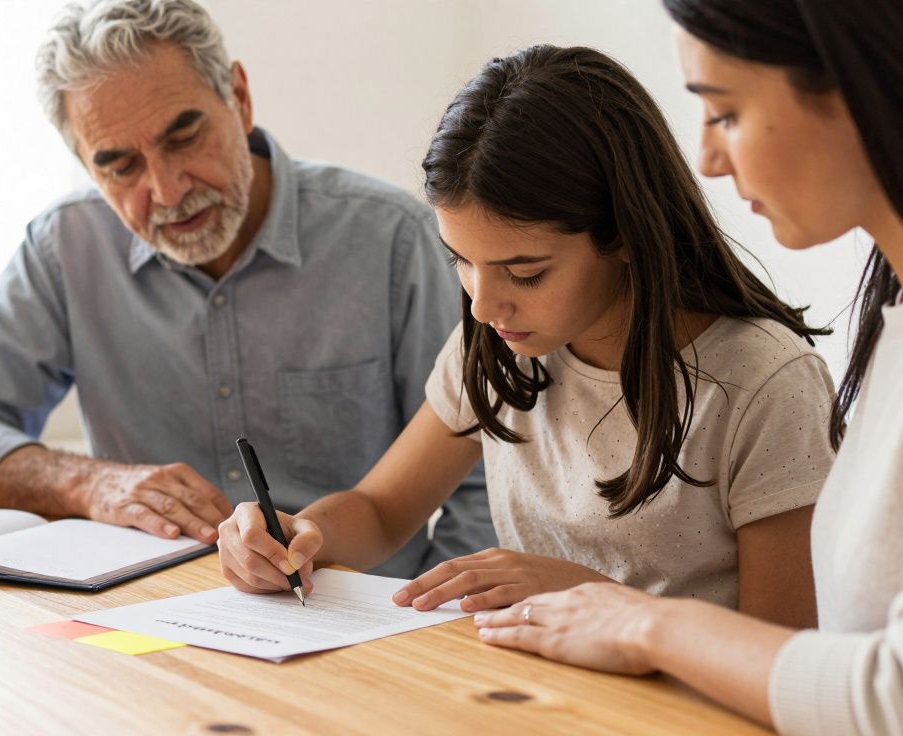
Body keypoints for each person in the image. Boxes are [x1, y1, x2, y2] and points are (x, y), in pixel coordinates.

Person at [217, 44, 836, 627]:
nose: (483, 305)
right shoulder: (498, 348)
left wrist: (583, 599)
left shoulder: (764, 384)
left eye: (525, 272)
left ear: (622, 233)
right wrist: (297, 536)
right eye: (459, 260)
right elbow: (380, 512)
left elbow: (777, 657)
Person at [0, 0, 493, 577]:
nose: (168, 190)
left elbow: (487, 470)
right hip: (149, 621)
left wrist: (432, 632)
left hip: (361, 619)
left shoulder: (392, 239)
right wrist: (91, 483)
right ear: (83, 161)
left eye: (183, 138)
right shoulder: (65, 249)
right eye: (120, 165)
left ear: (238, 96)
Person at [468, 2, 903, 733]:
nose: (709, 158)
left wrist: (640, 624)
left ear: (854, 86)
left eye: (724, 113)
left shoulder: (773, 372)